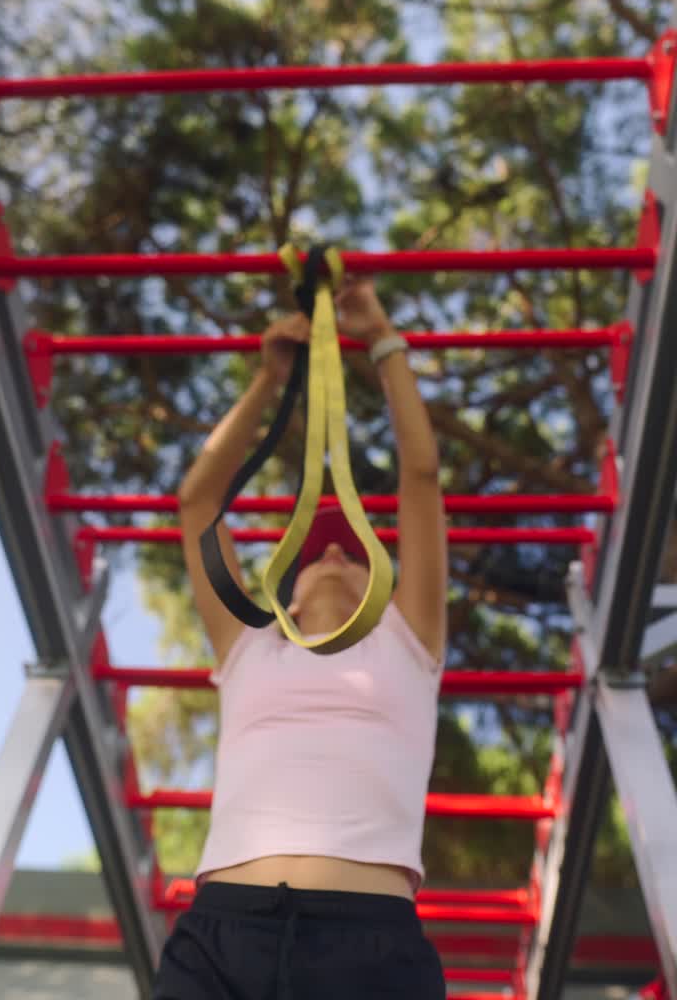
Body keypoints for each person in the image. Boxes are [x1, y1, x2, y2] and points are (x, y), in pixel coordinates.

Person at [153, 276, 449, 999]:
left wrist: (381, 338)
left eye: (352, 551)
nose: (336, 556)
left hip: (371, 941)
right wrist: (268, 381)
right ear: (284, 590)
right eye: (321, 552)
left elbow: (421, 474)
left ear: (381, 589)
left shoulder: (408, 646)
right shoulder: (251, 648)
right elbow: (198, 504)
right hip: (221, 934)